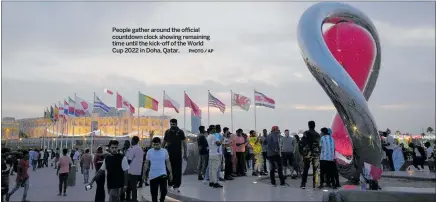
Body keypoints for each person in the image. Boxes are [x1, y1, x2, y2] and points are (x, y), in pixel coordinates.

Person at [143, 137, 173, 202]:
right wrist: (144, 174)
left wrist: (170, 173)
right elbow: (146, 163)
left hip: (163, 174)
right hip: (153, 176)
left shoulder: (164, 151)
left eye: (157, 144)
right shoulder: (149, 151)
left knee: (164, 191)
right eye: (154, 144)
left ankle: (162, 199)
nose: (155, 146)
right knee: (154, 195)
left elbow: (168, 162)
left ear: (160, 143)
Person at [162, 119, 187, 193]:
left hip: (178, 154)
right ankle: (170, 183)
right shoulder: (167, 132)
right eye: (171, 124)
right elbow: (164, 142)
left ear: (176, 124)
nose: (172, 126)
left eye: (173, 124)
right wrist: (161, 151)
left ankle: (176, 185)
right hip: (169, 155)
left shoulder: (180, 132)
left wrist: (185, 153)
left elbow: (184, 144)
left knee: (178, 170)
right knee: (169, 169)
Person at [300, 121, 321, 189]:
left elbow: (302, 142)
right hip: (315, 154)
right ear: (314, 126)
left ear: (309, 126)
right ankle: (315, 184)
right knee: (315, 169)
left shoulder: (306, 133)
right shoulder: (317, 134)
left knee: (306, 169)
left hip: (307, 154)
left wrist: (302, 152)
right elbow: (319, 145)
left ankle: (303, 184)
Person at [126, 136, 144, 202]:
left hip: (131, 170)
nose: (131, 141)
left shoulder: (132, 149)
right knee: (134, 186)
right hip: (138, 171)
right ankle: (133, 198)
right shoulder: (140, 149)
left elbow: (129, 160)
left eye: (131, 140)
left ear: (133, 141)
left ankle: (133, 199)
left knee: (130, 186)